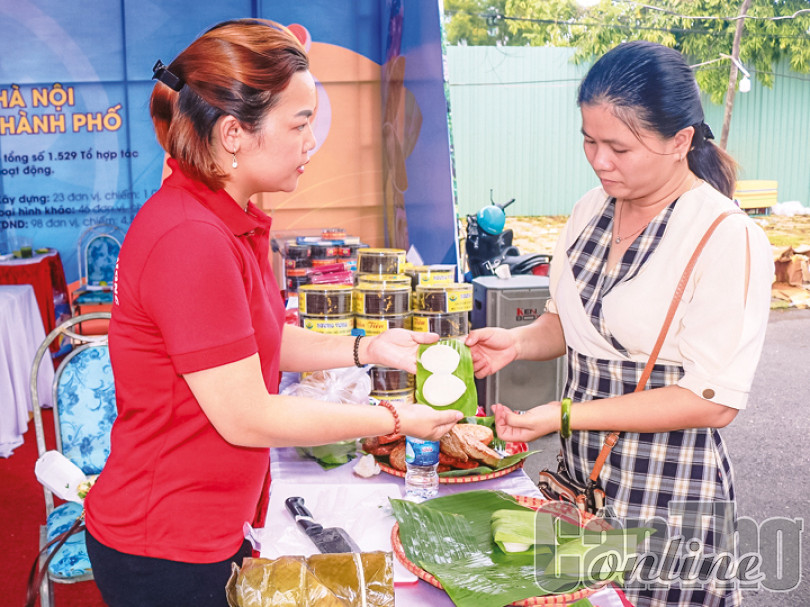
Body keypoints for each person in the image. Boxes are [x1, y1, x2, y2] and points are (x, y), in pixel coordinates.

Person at [83, 19, 462, 607]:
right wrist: (394, 417)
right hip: (166, 543)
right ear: (234, 133)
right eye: (300, 123)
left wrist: (368, 347)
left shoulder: (224, 219)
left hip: (210, 523)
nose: (312, 142)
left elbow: (257, 340)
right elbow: (247, 416)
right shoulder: (190, 237)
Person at [466, 41, 773, 606]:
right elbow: (569, 325)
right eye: (589, 140)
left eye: (619, 147)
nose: (599, 160)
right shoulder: (590, 210)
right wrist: (516, 342)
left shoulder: (725, 236)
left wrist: (563, 414)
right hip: (582, 479)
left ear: (680, 141)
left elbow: (712, 402)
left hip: (669, 490)